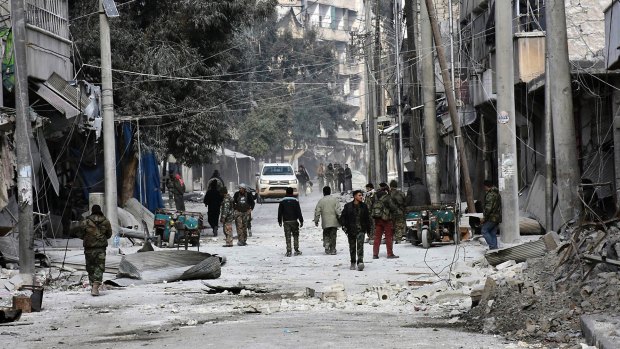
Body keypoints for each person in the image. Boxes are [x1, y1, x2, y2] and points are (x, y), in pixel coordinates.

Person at [76, 205, 112, 296]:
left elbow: (80, 234)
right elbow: (109, 235)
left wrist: (89, 238)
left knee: (90, 267)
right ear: (100, 211)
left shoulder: (86, 222)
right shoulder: (106, 221)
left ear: (92, 211)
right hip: (100, 248)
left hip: (89, 248)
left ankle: (93, 285)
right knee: (99, 267)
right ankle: (96, 285)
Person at [340, 190, 371, 271]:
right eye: (359, 195)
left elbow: (367, 219)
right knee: (352, 247)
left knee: (360, 247)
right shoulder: (348, 206)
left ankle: (360, 261)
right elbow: (343, 217)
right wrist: (344, 226)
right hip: (351, 230)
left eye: (362, 195)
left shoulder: (364, 206)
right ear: (354, 196)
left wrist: (368, 230)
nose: (361, 197)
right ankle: (353, 262)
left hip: (361, 229)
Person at [372, 183, 399, 259]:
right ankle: (390, 254)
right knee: (388, 237)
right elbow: (393, 207)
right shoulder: (387, 197)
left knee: (377, 237)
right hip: (386, 219)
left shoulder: (375, 196)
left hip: (377, 219)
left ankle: (375, 254)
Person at [314, 186, 342, 255]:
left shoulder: (321, 201)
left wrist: (316, 220)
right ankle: (333, 249)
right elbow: (338, 211)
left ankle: (326, 245)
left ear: (323, 192)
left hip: (325, 222)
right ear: (330, 192)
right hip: (334, 222)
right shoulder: (335, 200)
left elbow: (317, 211)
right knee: (333, 235)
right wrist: (341, 218)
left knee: (326, 234)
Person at [278, 187, 304, 257]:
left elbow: (280, 212)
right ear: (292, 192)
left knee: (288, 236)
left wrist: (279, 221)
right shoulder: (295, 200)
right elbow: (299, 211)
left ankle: (289, 251)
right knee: (295, 235)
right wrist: (301, 220)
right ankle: (296, 249)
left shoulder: (282, 201)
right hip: (294, 221)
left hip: (286, 221)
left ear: (286, 192)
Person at [482, 179, 502, 250]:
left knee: (484, 231)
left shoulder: (490, 195)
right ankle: (494, 248)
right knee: (492, 232)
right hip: (497, 217)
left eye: (484, 187)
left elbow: (488, 208)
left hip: (492, 217)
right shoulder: (497, 193)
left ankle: (493, 246)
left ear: (486, 186)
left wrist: (484, 217)